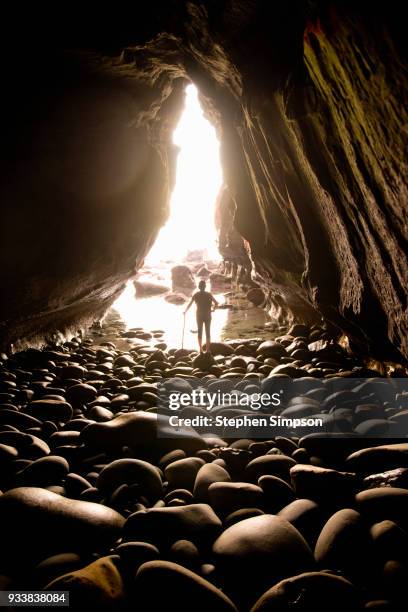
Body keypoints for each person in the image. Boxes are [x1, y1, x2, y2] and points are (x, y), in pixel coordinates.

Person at [184, 280, 218, 352]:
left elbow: (190, 304)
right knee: (208, 332)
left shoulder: (196, 295)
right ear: (205, 287)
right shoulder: (209, 294)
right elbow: (216, 303)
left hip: (199, 315)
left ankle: (201, 349)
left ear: (199, 287)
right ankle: (208, 349)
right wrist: (213, 309)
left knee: (200, 331)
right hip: (207, 315)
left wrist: (185, 311)